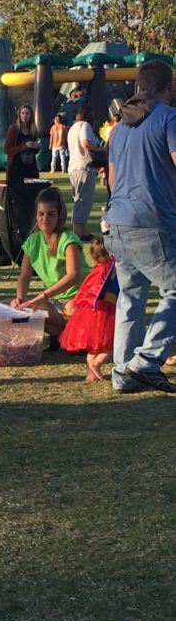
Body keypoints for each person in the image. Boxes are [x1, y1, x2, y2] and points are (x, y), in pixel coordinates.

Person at [105, 59, 176, 394]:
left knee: (130, 297)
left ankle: (122, 373)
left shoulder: (120, 128)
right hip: (150, 222)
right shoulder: (169, 118)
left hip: (116, 222)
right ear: (169, 86)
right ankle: (146, 361)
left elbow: (114, 178)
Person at [11, 187, 88, 337]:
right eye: (41, 214)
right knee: (10, 306)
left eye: (50, 214)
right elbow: (24, 276)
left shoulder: (68, 239)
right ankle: (64, 336)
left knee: (74, 310)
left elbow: (74, 275)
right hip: (52, 302)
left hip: (74, 299)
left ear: (59, 216)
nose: (45, 219)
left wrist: (42, 296)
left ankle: (71, 335)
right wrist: (19, 298)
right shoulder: (33, 241)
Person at [59, 237, 116, 381]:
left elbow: (85, 288)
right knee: (111, 345)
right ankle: (97, 363)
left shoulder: (96, 269)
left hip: (90, 312)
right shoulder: (110, 268)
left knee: (94, 345)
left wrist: (77, 303)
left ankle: (92, 369)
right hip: (105, 312)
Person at [67, 107, 101, 241]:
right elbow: (85, 142)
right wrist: (99, 149)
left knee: (79, 199)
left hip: (74, 167)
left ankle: (83, 231)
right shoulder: (85, 125)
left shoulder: (72, 128)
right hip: (84, 167)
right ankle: (78, 233)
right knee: (83, 200)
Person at [4, 105, 40, 185]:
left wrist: (36, 147)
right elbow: (7, 150)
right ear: (19, 115)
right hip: (16, 169)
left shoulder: (33, 130)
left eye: (27, 113)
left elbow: (34, 151)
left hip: (30, 169)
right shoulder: (13, 129)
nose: (25, 116)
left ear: (31, 115)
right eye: (22, 113)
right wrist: (24, 147)